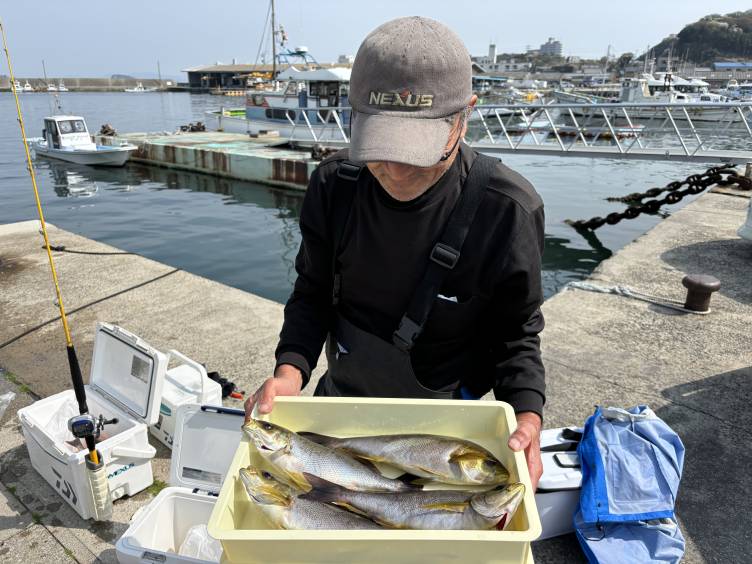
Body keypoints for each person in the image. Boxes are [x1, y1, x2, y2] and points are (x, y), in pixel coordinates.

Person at [244, 16, 545, 490]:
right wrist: (290, 371)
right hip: (341, 403)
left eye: (420, 151)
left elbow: (516, 334)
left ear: (465, 115)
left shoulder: (507, 210)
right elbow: (313, 292)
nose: (397, 171)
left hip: (446, 429)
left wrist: (527, 416)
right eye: (380, 147)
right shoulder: (334, 185)